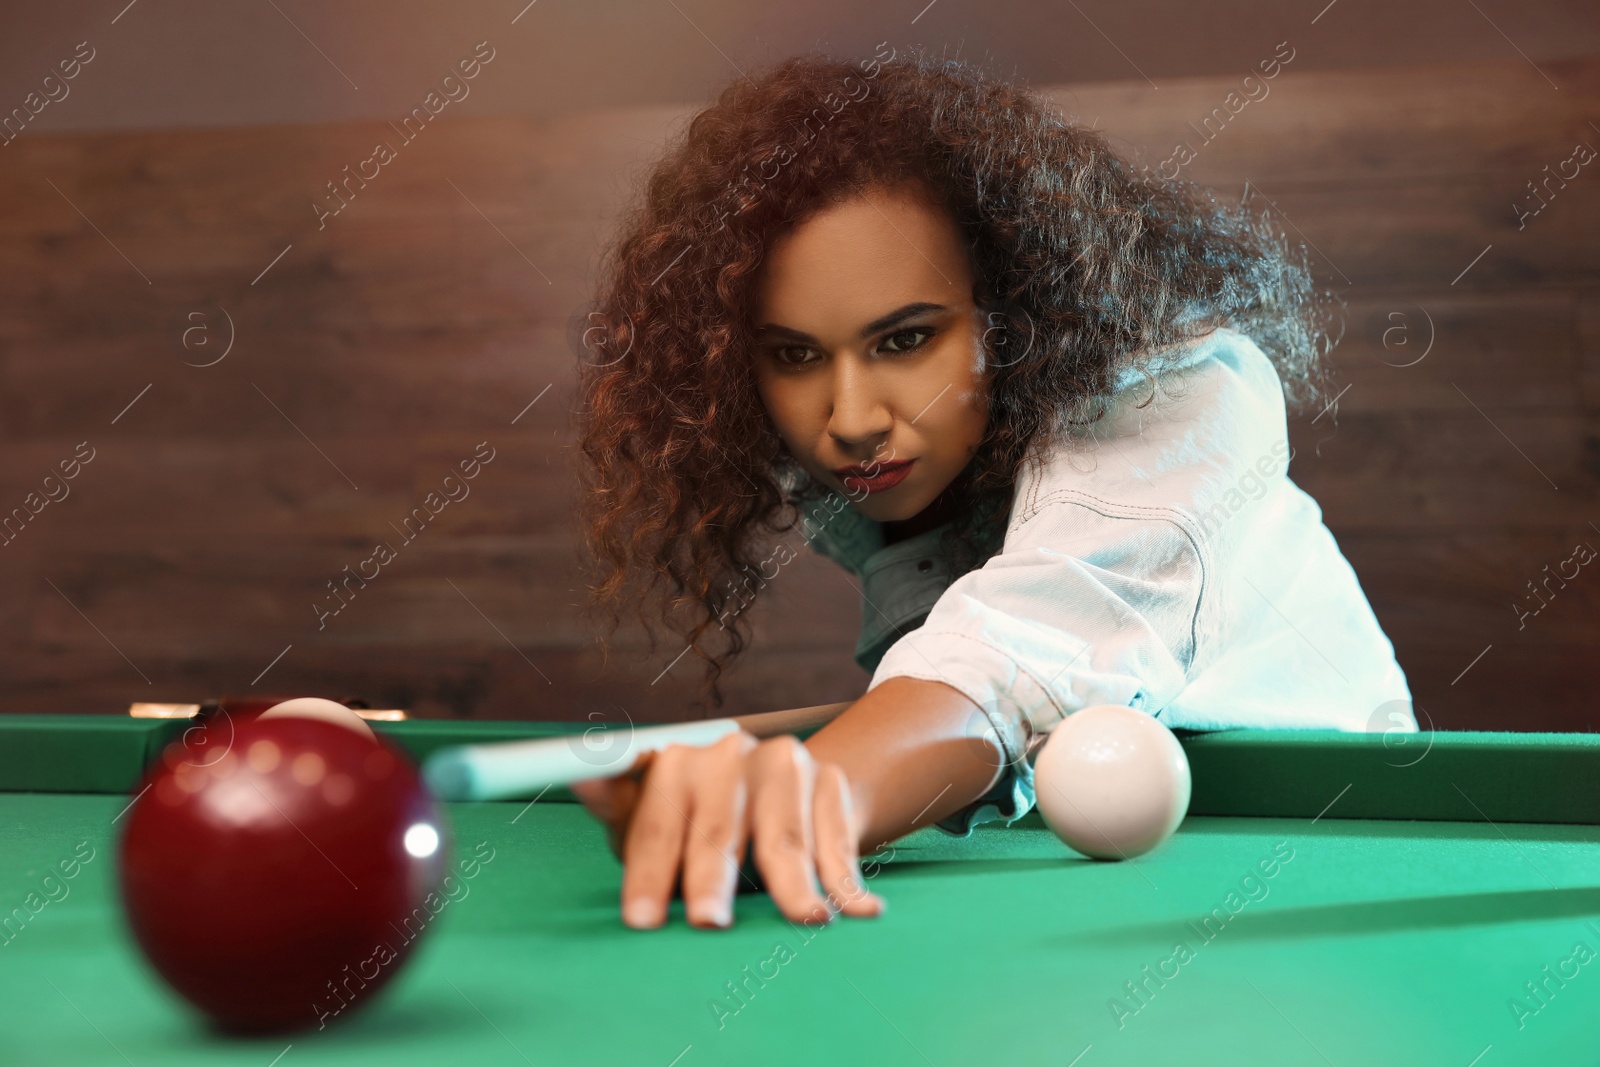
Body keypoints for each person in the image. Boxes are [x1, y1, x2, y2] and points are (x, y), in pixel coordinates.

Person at [569, 46, 1413, 931]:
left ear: (1011, 313)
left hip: (1346, 865)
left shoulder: (1183, 394)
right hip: (1062, 895)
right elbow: (976, 675)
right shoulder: (898, 463)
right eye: (795, 354)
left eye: (905, 340)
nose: (850, 417)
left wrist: (810, 793)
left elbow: (1004, 662)